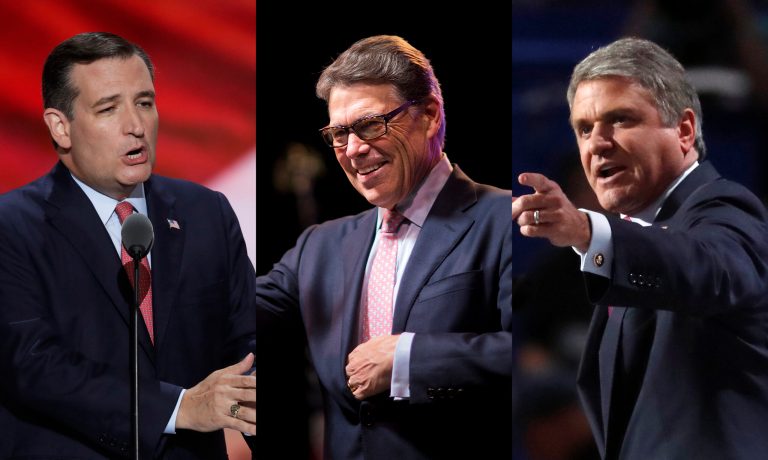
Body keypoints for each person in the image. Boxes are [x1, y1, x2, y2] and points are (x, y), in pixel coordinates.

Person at [254, 35, 512, 459]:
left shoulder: (505, 220)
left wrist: (411, 358)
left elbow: (534, 354)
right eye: (339, 134)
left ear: (429, 115)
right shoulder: (320, 246)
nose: (353, 149)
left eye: (370, 125)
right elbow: (234, 310)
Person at [0, 32, 256, 458]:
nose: (136, 125)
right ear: (60, 126)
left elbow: (247, 339)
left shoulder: (206, 212)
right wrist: (177, 407)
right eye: (108, 108)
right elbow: (32, 364)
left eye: (144, 102)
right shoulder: (12, 226)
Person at [512, 36, 768, 459]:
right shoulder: (626, 241)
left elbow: (710, 268)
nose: (597, 143)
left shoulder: (726, 211)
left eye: (621, 120)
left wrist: (585, 231)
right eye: (584, 128)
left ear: (684, 130)